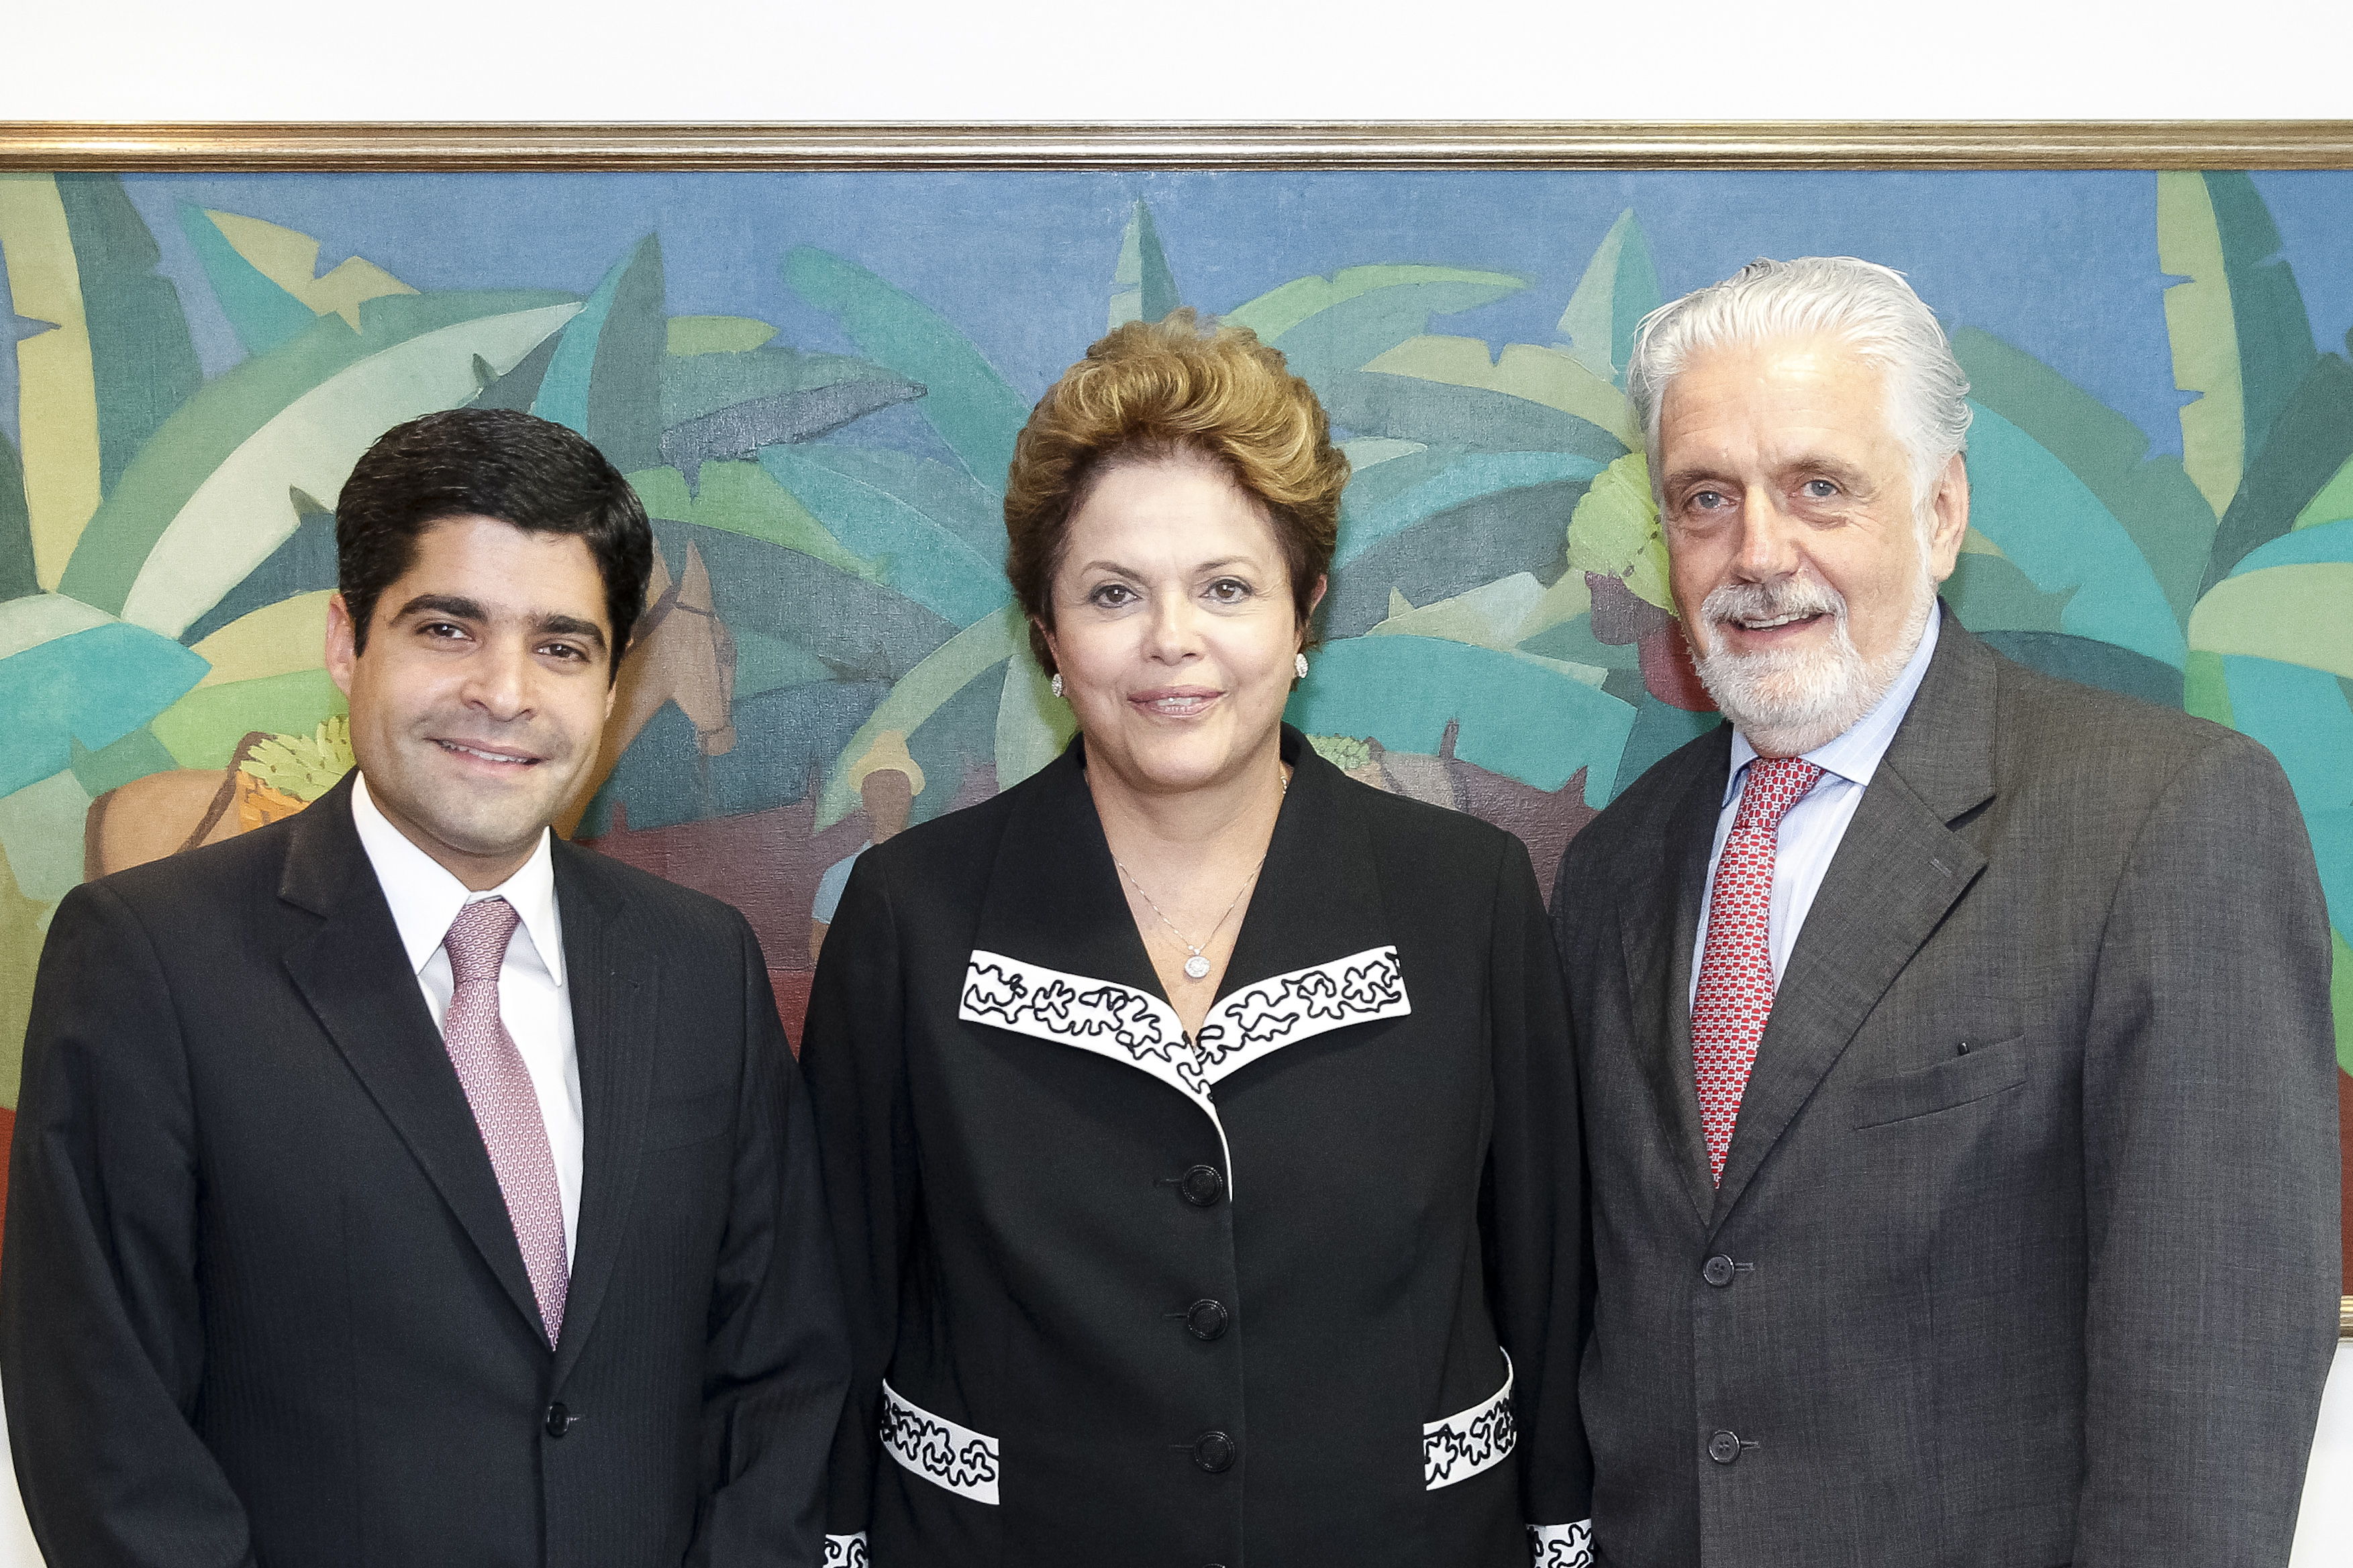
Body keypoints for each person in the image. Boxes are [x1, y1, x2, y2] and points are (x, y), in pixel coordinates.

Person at [1550, 256, 2341, 1565]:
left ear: (1938, 510)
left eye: (1819, 487)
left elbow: (2209, 1380)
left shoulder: (2165, 816)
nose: (1758, 552)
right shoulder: (1615, 868)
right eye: (1705, 497)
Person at [801, 311, 1591, 1567]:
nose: (1173, 640)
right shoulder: (911, 913)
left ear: (1303, 612)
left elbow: (1550, 1285)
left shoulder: (1466, 895)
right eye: (1114, 593)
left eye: (1226, 587)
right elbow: (831, 1309)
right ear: (1047, 634)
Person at [1, 407, 848, 1567]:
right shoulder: (150, 961)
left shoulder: (699, 963)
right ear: (348, 642)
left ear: (611, 684)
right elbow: (107, 1435)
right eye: (449, 628)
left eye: (562, 645)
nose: (504, 692)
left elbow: (782, 1367)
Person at [809, 731, 923, 967]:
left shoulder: (934, 869)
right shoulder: (839, 877)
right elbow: (818, 952)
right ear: (866, 800)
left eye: (898, 787)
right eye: (881, 788)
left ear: (910, 796)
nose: (890, 798)